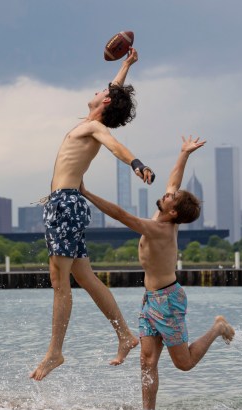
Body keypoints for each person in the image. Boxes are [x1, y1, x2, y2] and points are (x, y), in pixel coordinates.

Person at [80, 135, 235, 410]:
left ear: (173, 211)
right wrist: (184, 152)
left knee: (183, 363)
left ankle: (218, 327)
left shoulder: (160, 228)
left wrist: (87, 193)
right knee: (147, 361)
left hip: (169, 301)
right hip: (151, 299)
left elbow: (120, 215)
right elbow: (174, 181)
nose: (166, 193)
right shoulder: (162, 216)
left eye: (169, 198)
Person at [30, 48, 155, 381]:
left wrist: (136, 164)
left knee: (60, 282)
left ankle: (55, 352)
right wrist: (126, 65)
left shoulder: (95, 129)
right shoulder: (89, 123)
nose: (100, 90)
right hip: (64, 203)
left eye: (103, 92)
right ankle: (125, 335)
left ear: (104, 104)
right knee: (84, 276)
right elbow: (112, 93)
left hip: (66, 204)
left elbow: (115, 145)